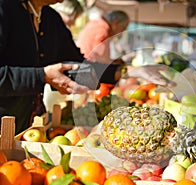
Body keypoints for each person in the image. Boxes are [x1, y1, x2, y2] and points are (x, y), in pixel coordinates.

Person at [0, 0, 173, 133]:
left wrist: (128, 72)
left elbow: (77, 67)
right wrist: (42, 76)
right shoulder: (4, 9)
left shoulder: (50, 18)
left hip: (29, 127)